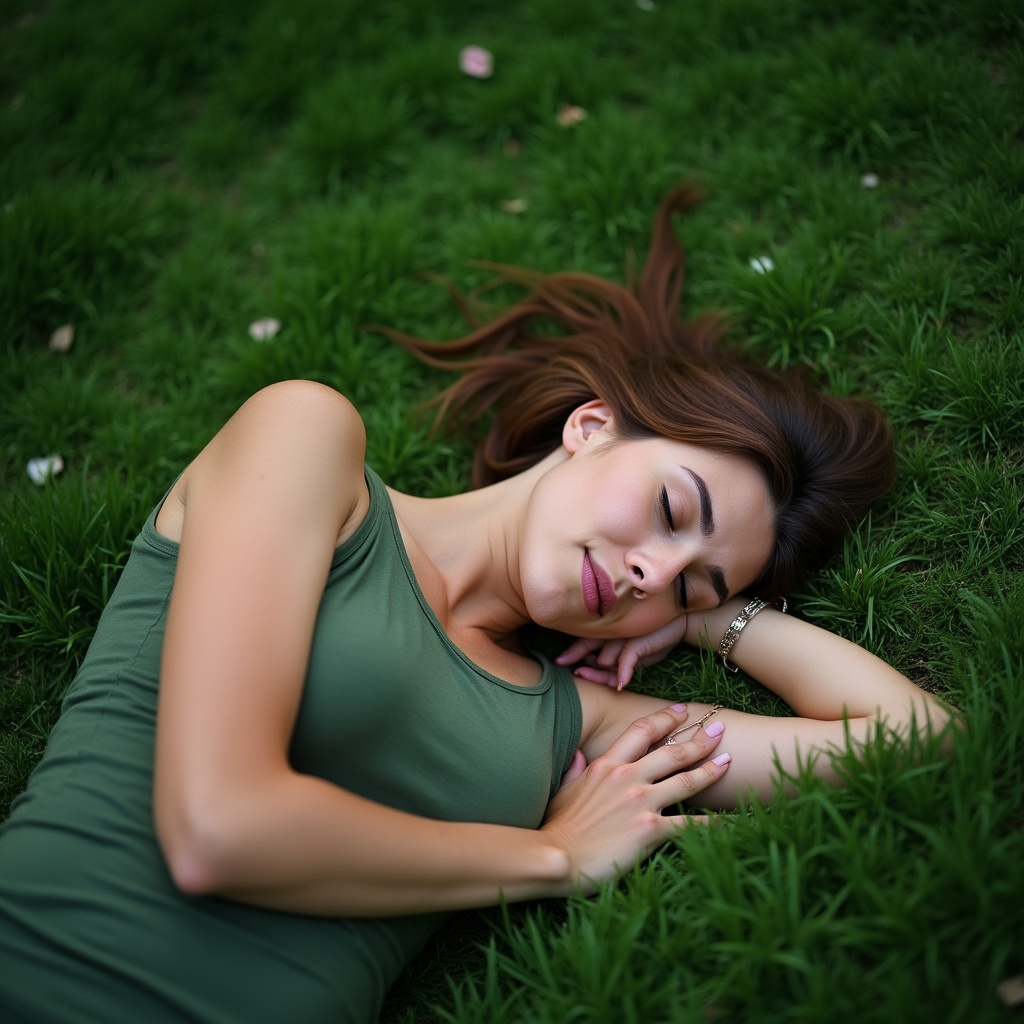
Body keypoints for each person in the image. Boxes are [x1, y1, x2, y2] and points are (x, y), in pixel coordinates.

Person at [0, 185, 952, 1024]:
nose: (649, 575)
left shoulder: (572, 721)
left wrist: (718, 620)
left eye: (689, 579)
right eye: (670, 510)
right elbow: (218, 830)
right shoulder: (307, 445)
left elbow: (912, 741)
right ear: (590, 427)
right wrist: (551, 857)